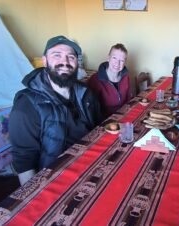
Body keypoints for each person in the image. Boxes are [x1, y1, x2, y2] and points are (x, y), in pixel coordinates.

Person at [9, 35, 103, 185]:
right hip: (55, 178)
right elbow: (24, 161)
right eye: (57, 55)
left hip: (91, 163)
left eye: (70, 57)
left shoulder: (86, 92)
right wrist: (34, 198)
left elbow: (99, 128)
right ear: (45, 60)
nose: (65, 62)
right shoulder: (26, 105)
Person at [87, 43, 132, 119]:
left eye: (121, 60)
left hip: (123, 116)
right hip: (105, 121)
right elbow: (92, 111)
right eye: (114, 58)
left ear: (125, 62)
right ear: (108, 58)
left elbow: (129, 99)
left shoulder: (126, 77)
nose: (117, 63)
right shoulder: (95, 80)